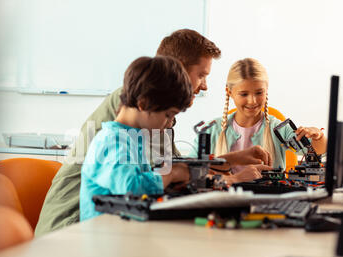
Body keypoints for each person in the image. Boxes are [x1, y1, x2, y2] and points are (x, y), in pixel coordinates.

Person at [34, 31, 268, 237]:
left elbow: (174, 168)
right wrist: (233, 179)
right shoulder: (134, 108)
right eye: (201, 75)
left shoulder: (150, 108)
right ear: (174, 68)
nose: (205, 85)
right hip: (72, 228)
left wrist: (231, 159)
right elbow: (159, 178)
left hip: (115, 225)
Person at [80, 56, 193, 221]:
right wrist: (172, 174)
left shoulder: (132, 139)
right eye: (168, 115)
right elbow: (131, 187)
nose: (169, 124)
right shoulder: (111, 141)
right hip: (105, 239)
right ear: (144, 103)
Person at [189, 58, 327, 172]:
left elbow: (317, 152)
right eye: (244, 94)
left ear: (266, 91)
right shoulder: (210, 130)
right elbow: (189, 169)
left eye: (259, 93)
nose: (252, 101)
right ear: (229, 92)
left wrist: (318, 137)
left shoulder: (278, 128)